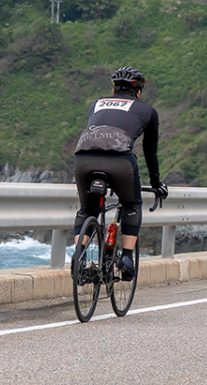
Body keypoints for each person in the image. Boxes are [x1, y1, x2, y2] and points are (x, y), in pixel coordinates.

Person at [71, 66, 168, 279]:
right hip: (119, 162)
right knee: (132, 204)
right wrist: (156, 182)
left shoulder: (96, 104)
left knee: (87, 210)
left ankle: (79, 257)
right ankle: (126, 257)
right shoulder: (147, 111)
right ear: (138, 91)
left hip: (83, 160)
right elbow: (150, 152)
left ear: (114, 89)